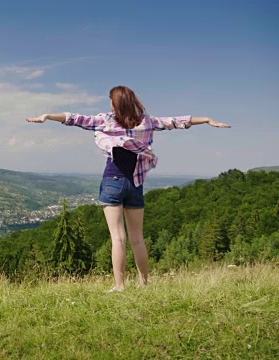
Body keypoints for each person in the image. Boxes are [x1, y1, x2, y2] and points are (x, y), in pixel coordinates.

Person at [27, 85, 230, 291]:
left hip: (113, 180)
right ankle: (144, 283)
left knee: (118, 238)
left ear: (114, 103)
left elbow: (74, 118)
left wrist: (47, 116)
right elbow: (176, 122)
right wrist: (206, 119)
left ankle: (120, 286)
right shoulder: (147, 121)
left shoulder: (105, 120)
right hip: (136, 183)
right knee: (138, 239)